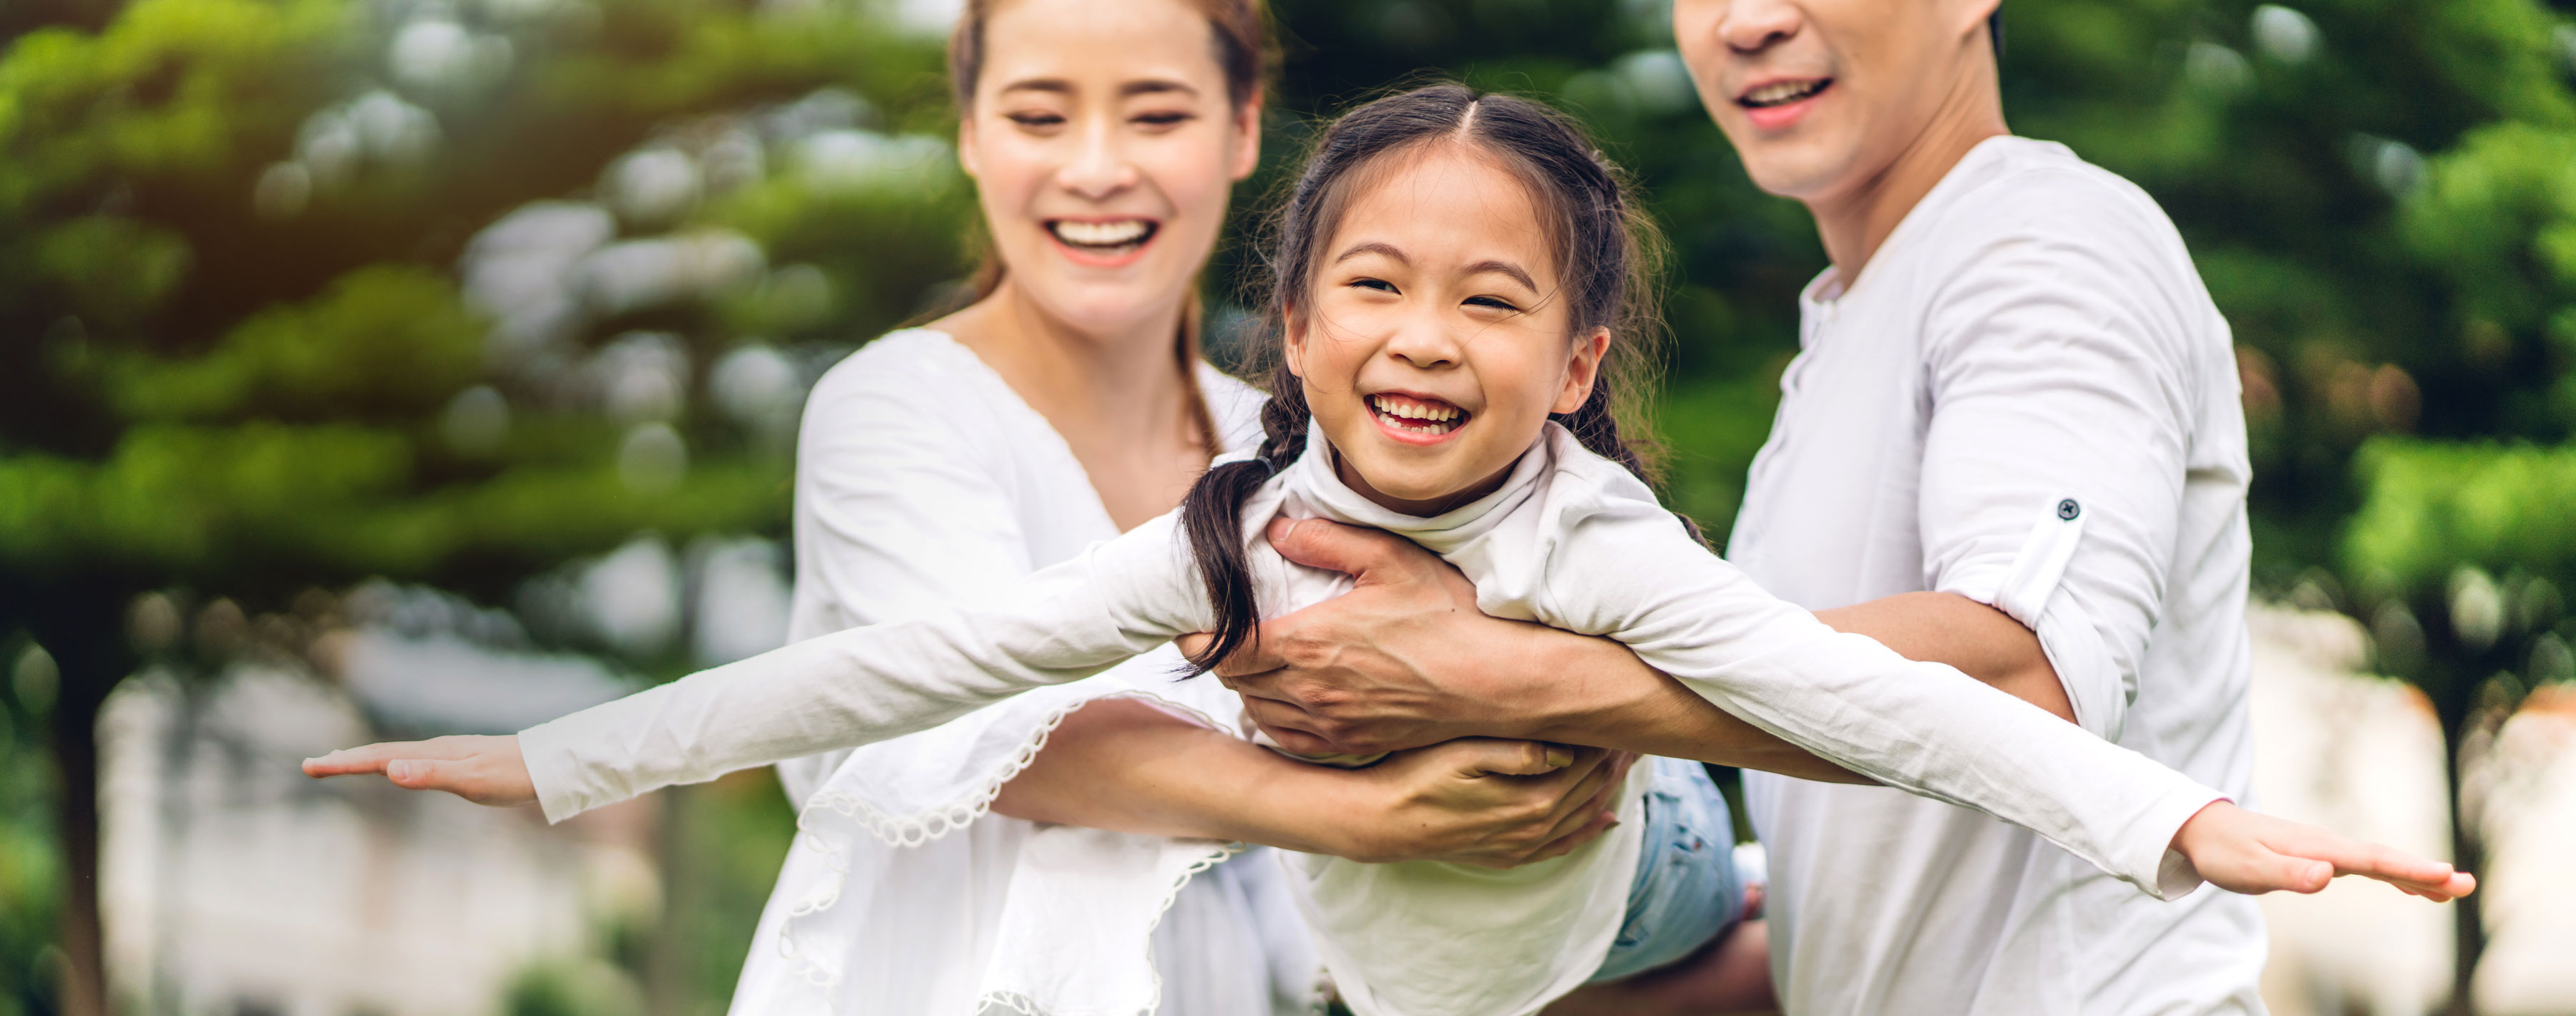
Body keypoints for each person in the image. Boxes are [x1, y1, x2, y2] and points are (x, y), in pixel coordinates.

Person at [303, 83, 2469, 1016]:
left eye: (1495, 300)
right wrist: (565, 750)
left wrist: (2189, 822)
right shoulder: (1233, 537)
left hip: (1640, 898)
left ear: (1579, 351)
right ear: (1295, 320)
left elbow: (1882, 694)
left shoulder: (1599, 540)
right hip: (1411, 959)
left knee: (1642, 836)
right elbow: (911, 670)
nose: (1425, 340)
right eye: (1376, 289)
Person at [1184, 2, 2451, 1015]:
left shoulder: (2046, 250)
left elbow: (2028, 677)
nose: (1745, 22)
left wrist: (1481, 677)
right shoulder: (1855, 320)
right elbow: (1879, 895)